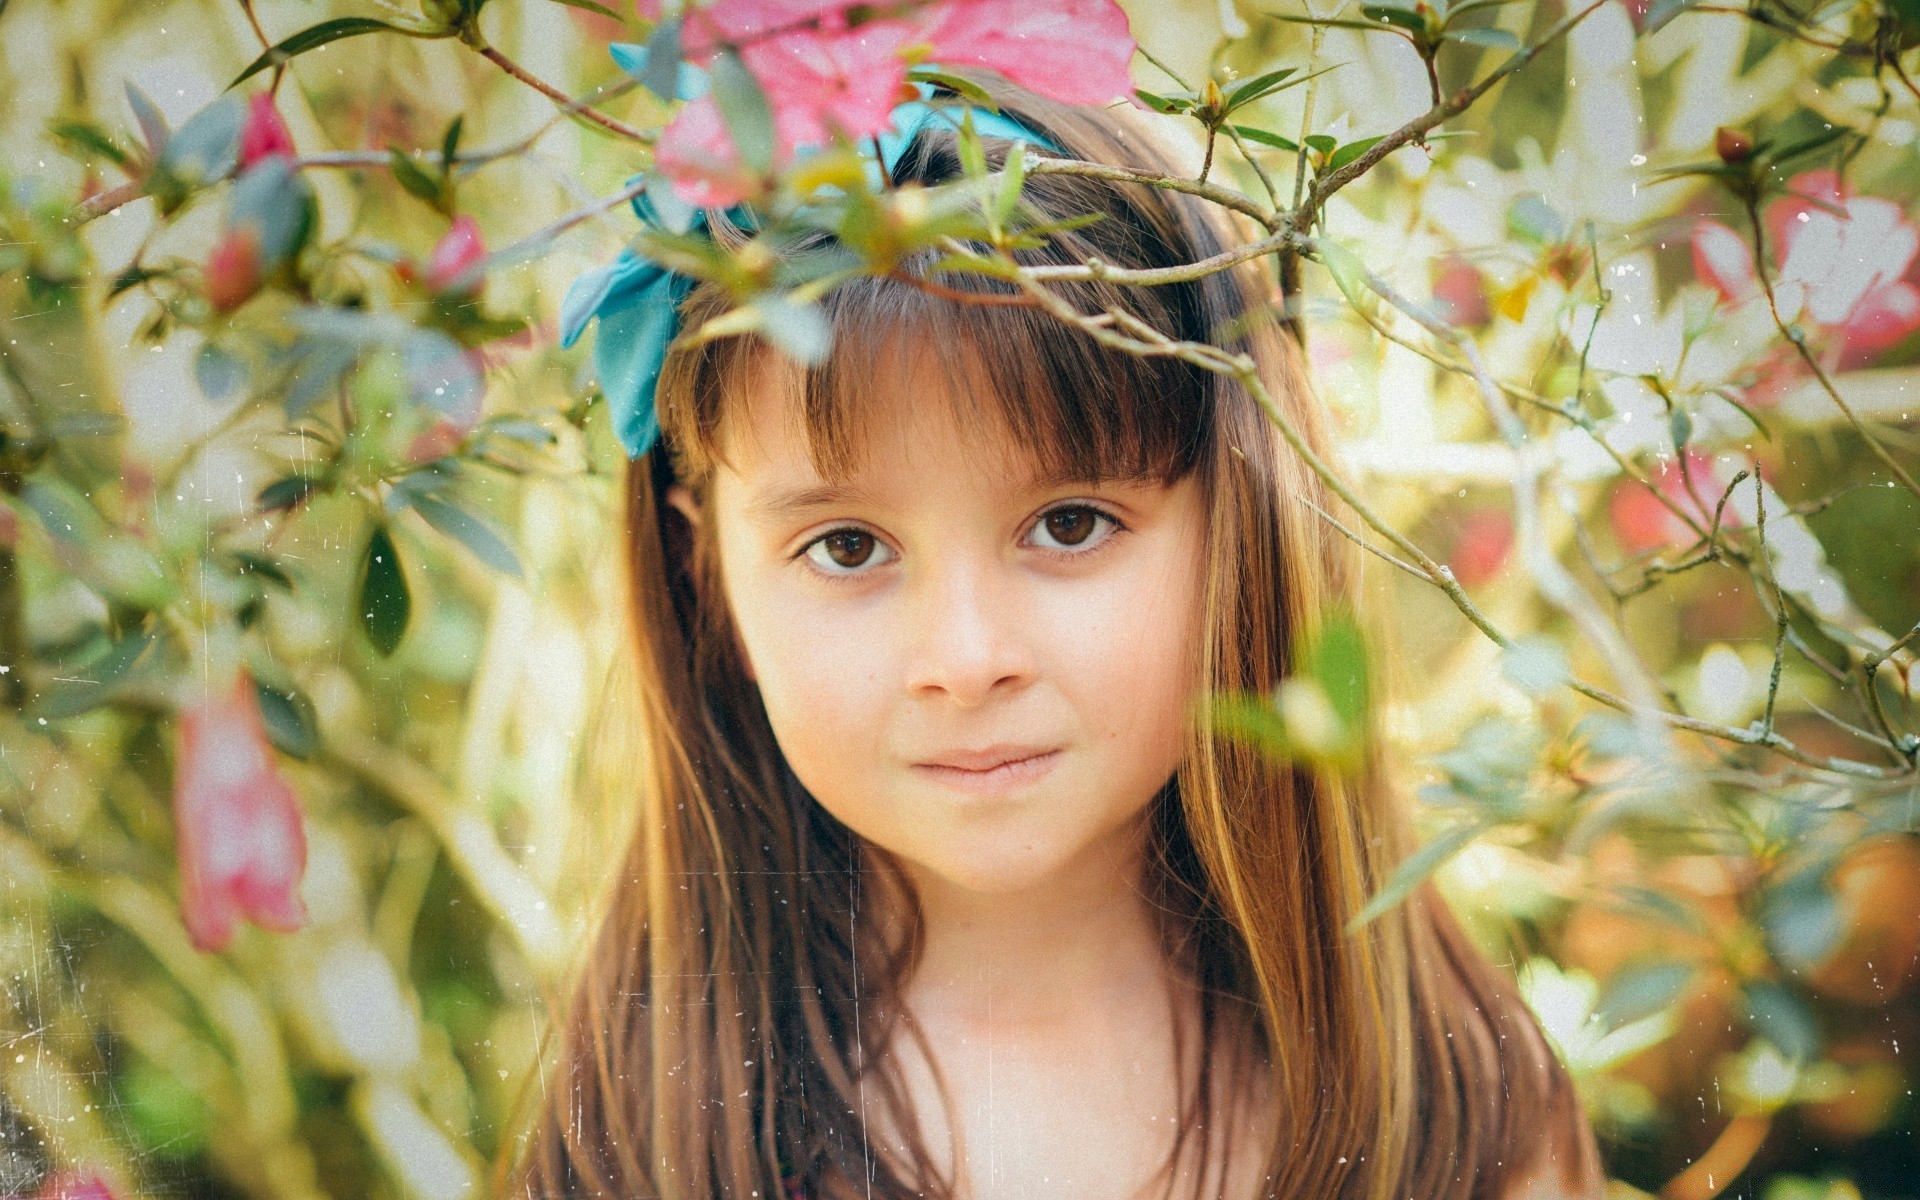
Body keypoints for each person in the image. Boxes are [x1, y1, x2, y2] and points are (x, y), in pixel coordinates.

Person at [507, 68, 1604, 1200]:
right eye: (846, 547)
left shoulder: (1466, 1114)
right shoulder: (639, 1146)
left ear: (1237, 518)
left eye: (1069, 525)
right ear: (706, 569)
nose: (968, 659)